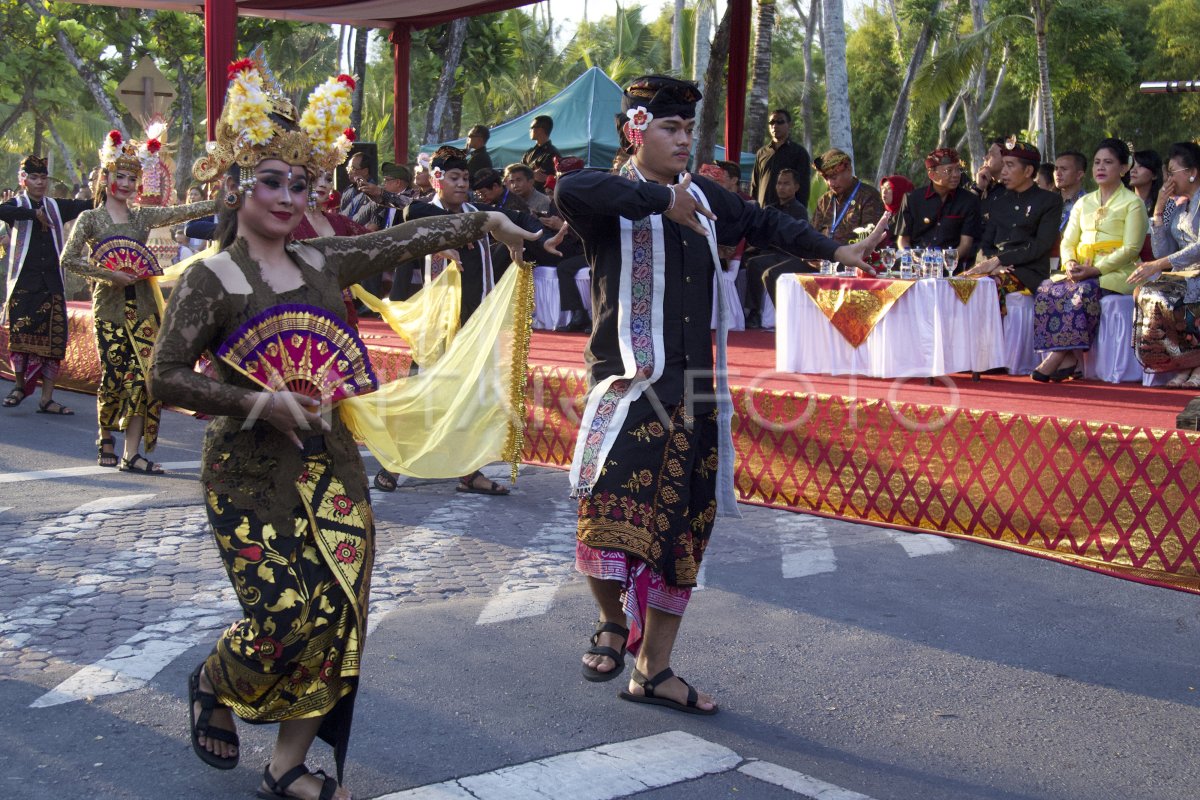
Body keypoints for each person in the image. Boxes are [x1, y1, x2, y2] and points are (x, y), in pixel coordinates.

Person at [149, 59, 537, 800]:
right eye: (272, 181)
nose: (290, 198)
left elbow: (406, 241)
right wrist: (260, 403)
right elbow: (163, 377)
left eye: (302, 185)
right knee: (283, 612)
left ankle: (288, 764)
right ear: (236, 185)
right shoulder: (209, 279)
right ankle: (215, 679)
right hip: (248, 474)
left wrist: (486, 220)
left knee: (338, 614)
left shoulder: (323, 260)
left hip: (331, 464)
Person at [555, 75, 886, 714]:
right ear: (636, 130)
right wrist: (657, 201)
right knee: (603, 516)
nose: (683, 140)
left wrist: (837, 247)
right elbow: (572, 186)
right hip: (627, 385)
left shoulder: (705, 194)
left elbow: (764, 222)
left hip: (695, 391)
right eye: (669, 129)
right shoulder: (608, 197)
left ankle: (653, 670)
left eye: (687, 130)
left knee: (683, 530)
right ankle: (613, 621)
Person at [371, 145, 545, 495]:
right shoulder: (422, 213)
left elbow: (518, 217)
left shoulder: (478, 212)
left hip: (474, 323)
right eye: (454, 177)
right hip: (435, 326)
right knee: (424, 396)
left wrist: (536, 235)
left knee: (473, 399)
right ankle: (394, 464)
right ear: (437, 180)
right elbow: (409, 211)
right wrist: (437, 242)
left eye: (465, 178)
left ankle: (469, 473)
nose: (462, 184)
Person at [60, 130, 214, 472]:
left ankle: (132, 454)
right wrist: (109, 274)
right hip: (109, 310)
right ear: (106, 177)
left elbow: (180, 212)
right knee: (115, 376)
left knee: (145, 378)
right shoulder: (90, 219)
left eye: (133, 178)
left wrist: (221, 202)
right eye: (121, 176)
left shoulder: (142, 217)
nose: (127, 183)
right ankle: (105, 438)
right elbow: (68, 260)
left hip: (143, 309)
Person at [1028, 138, 1147, 382]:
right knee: (1047, 289)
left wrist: (1096, 269)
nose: (1100, 168)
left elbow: (1131, 248)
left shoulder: (1133, 203)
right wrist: (1070, 262)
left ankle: (1057, 356)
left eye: (1108, 163)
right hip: (1082, 268)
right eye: (1097, 163)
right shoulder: (1084, 202)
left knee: (1082, 291)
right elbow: (1068, 241)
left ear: (1123, 169)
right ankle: (1070, 357)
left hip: (1119, 272)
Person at [0, 155, 93, 414]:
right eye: (34, 177)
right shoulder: (17, 205)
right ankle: (19, 387)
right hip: (24, 284)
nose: (40, 182)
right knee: (19, 341)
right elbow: (2, 211)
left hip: (52, 284)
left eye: (43, 178)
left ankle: (47, 398)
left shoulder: (56, 206)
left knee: (54, 344)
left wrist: (105, 185)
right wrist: (32, 214)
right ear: (24, 180)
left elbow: (88, 205)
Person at [1128, 141, 1200, 386]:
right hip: (1184, 273)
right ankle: (1185, 361)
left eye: (1173, 172)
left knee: (1177, 296)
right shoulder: (1179, 207)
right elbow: (1164, 249)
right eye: (1167, 173)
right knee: (1147, 292)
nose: (1168, 179)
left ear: (1192, 173)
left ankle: (1197, 364)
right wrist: (1158, 212)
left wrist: (1158, 264)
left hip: (1197, 273)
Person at [966, 138, 1064, 298]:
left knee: (986, 290)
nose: (1003, 171)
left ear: (1028, 171)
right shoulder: (998, 201)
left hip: (1028, 272)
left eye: (1010, 165)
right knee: (958, 285)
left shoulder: (1049, 201)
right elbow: (986, 244)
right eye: (1003, 164)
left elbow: (1040, 245)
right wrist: (992, 263)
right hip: (995, 270)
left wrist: (1000, 260)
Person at [896, 147, 981, 271]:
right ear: (932, 174)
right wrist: (913, 257)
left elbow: (965, 245)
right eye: (949, 170)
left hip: (951, 268)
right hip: (917, 267)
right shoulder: (912, 199)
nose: (956, 175)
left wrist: (941, 262)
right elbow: (903, 240)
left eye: (958, 169)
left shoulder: (968, 201)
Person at [808, 149, 885, 246]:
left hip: (856, 258)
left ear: (849, 169)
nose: (831, 183)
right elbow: (812, 235)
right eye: (827, 178)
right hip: (824, 258)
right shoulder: (825, 200)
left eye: (834, 177)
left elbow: (871, 238)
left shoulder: (868, 196)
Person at [749, 108, 812, 209]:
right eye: (772, 122)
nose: (775, 126)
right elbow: (755, 185)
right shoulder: (762, 153)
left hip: (786, 215)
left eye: (780, 122)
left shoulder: (799, 152)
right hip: (762, 213)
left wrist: (798, 214)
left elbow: (803, 188)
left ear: (789, 125)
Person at [1054, 151, 1088, 234]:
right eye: (1056, 169)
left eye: (1064, 169)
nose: (1058, 173)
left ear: (1079, 175)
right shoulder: (1048, 201)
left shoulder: (1089, 203)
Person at [523, 115, 560, 191]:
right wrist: (531, 173)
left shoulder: (552, 154)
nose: (530, 130)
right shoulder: (529, 152)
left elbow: (541, 178)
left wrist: (528, 173)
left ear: (540, 130)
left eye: (532, 127)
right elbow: (519, 170)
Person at [878, 174, 914, 248]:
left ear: (900, 191)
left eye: (889, 188)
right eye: (882, 188)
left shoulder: (911, 216)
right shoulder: (879, 212)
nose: (884, 191)